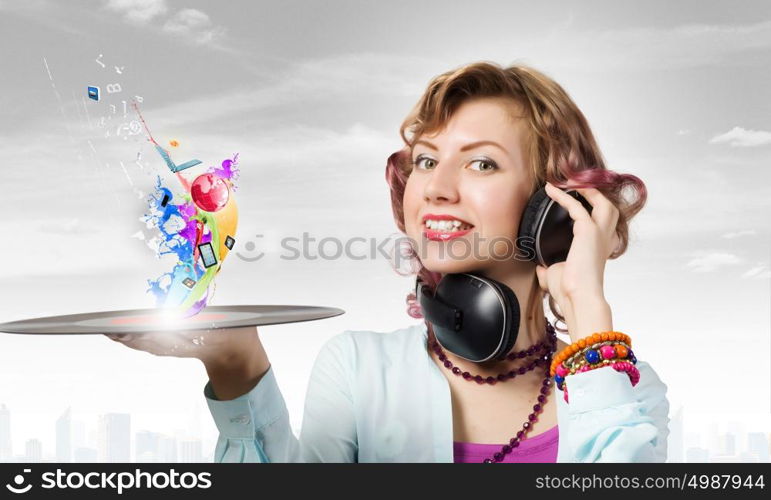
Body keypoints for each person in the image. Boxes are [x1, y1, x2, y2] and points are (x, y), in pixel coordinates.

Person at [108, 61, 670, 463]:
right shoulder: (358, 368)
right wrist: (237, 367)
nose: (435, 188)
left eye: (481, 166)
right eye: (426, 160)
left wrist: (590, 315)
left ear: (551, 209)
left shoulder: (627, 390)